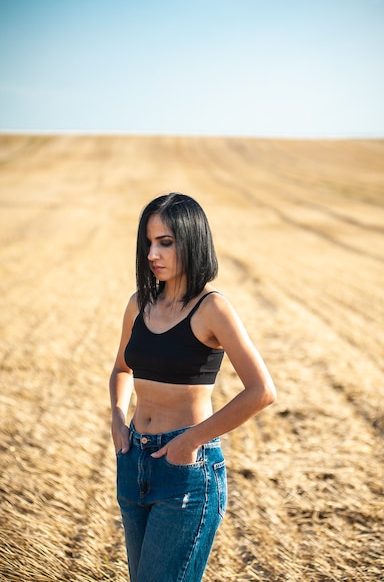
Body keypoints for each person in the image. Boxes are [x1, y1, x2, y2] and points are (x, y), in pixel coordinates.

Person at [109, 192, 276, 582]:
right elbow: (121, 369)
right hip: (134, 460)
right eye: (148, 243)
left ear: (192, 241)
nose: (153, 253)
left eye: (165, 242)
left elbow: (261, 390)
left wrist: (190, 442)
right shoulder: (139, 304)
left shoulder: (212, 308)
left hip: (185, 470)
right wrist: (118, 419)